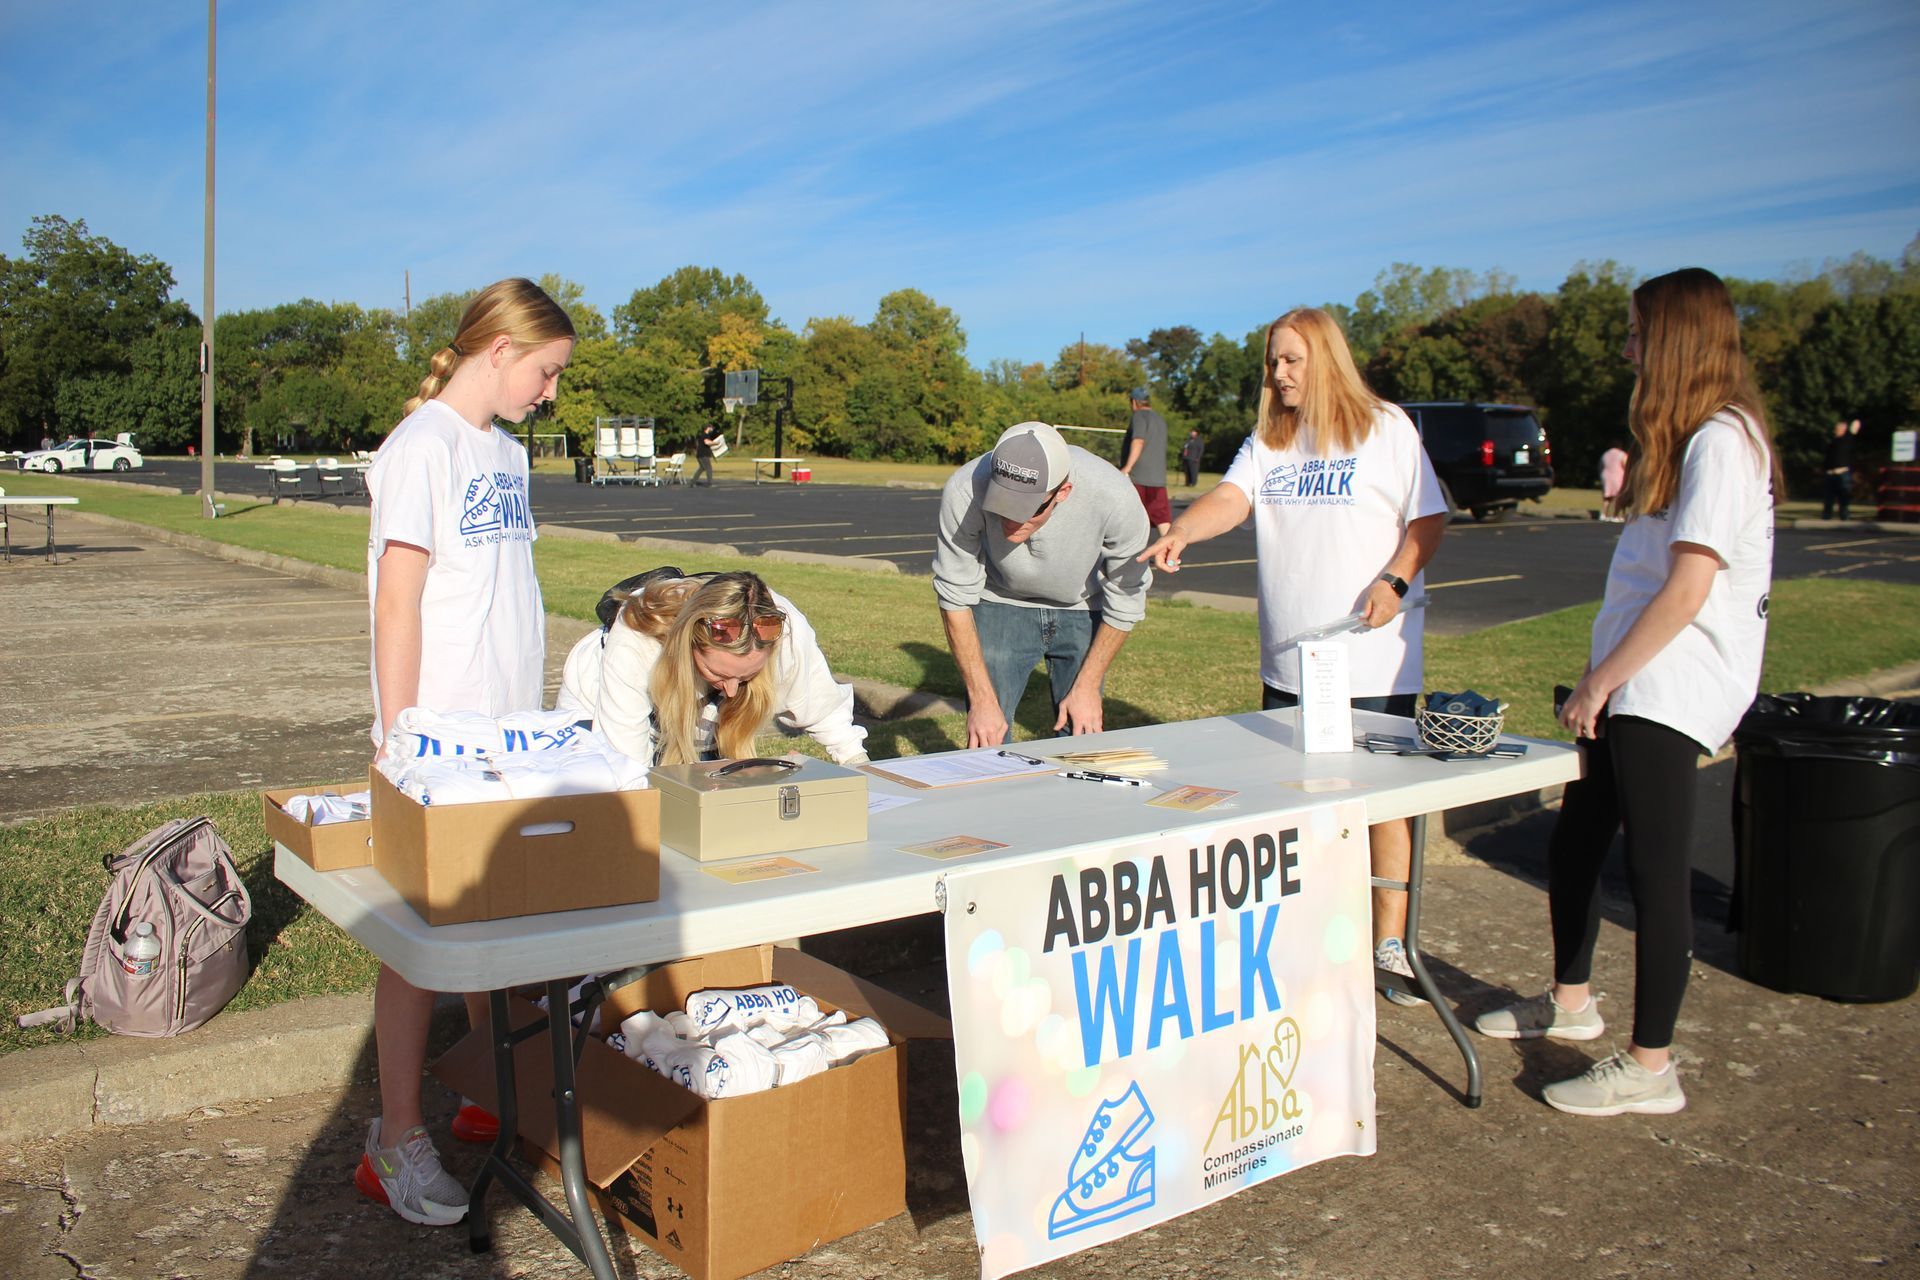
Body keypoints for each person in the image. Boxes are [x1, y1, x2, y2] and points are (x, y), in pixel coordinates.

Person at [1474, 267, 1782, 1117]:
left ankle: (1652, 1067)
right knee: (1576, 846)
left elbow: (1687, 590)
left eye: (1639, 332)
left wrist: (1600, 683)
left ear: (1676, 339)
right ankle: (1570, 1003)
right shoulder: (1685, 442)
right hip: (1636, 680)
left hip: (1670, 685)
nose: (1629, 348)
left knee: (1654, 872)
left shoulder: (1723, 440)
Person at [1138, 308, 1446, 1003]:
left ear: (1326, 360)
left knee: (1381, 805)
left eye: (1291, 361)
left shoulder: (1385, 428)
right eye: (1272, 363)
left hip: (1369, 660)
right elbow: (1231, 498)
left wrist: (1394, 579)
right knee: (1296, 804)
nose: (1278, 375)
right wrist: (1183, 529)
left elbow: (1429, 517)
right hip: (1290, 666)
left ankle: (1390, 945)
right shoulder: (1271, 439)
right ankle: (1315, 936)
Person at [359, 277, 574, 1224]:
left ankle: (491, 1094)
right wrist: (402, 736)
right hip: (435, 739)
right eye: (546, 371)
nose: (552, 391)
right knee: (422, 940)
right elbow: (397, 602)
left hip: (507, 733)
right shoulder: (421, 448)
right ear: (500, 351)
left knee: (495, 923)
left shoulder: (510, 454)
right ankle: (394, 1137)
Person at [934, 421, 1151, 747]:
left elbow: (1127, 594)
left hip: (1083, 606)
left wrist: (1088, 686)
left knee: (1080, 738)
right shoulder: (966, 488)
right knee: (988, 737)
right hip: (1000, 603)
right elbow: (954, 594)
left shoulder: (1114, 496)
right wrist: (980, 700)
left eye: (1027, 510)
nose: (1011, 521)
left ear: (1063, 492)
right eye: (1002, 506)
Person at [559, 570, 869, 767]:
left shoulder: (788, 631)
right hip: (597, 709)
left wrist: (858, 763)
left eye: (747, 677)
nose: (733, 690)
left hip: (693, 726)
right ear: (687, 646)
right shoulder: (638, 639)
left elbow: (822, 707)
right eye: (719, 675)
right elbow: (624, 765)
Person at [1121, 387, 1171, 536]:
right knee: (1161, 516)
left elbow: (1138, 442)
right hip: (1158, 478)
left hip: (1139, 476)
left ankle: (1128, 553)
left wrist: (1127, 468)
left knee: (1131, 515)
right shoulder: (1160, 419)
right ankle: (1169, 554)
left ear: (1134, 402)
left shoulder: (1139, 417)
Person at [1823, 418, 1861, 520]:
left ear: (1844, 429)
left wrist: (1852, 424)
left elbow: (1856, 425)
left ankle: (1844, 516)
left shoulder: (1847, 439)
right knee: (1828, 498)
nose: (1835, 430)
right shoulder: (1833, 441)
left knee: (1843, 497)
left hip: (1842, 473)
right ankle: (1826, 516)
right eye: (1836, 428)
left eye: (1838, 428)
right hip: (1830, 473)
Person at [1599, 442, 1629, 521]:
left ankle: (1604, 514)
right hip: (1618, 476)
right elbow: (1626, 465)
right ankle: (1616, 515)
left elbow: (1601, 466)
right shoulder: (1621, 454)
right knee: (1619, 496)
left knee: (1607, 497)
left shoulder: (1605, 454)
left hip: (1606, 476)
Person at [694, 420, 726, 486]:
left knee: (702, 468)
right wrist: (716, 443)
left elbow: (708, 442)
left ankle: (692, 482)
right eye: (711, 428)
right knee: (709, 469)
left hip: (700, 455)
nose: (712, 429)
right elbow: (707, 442)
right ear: (708, 428)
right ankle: (709, 483)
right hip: (703, 455)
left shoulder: (705, 435)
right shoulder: (704, 435)